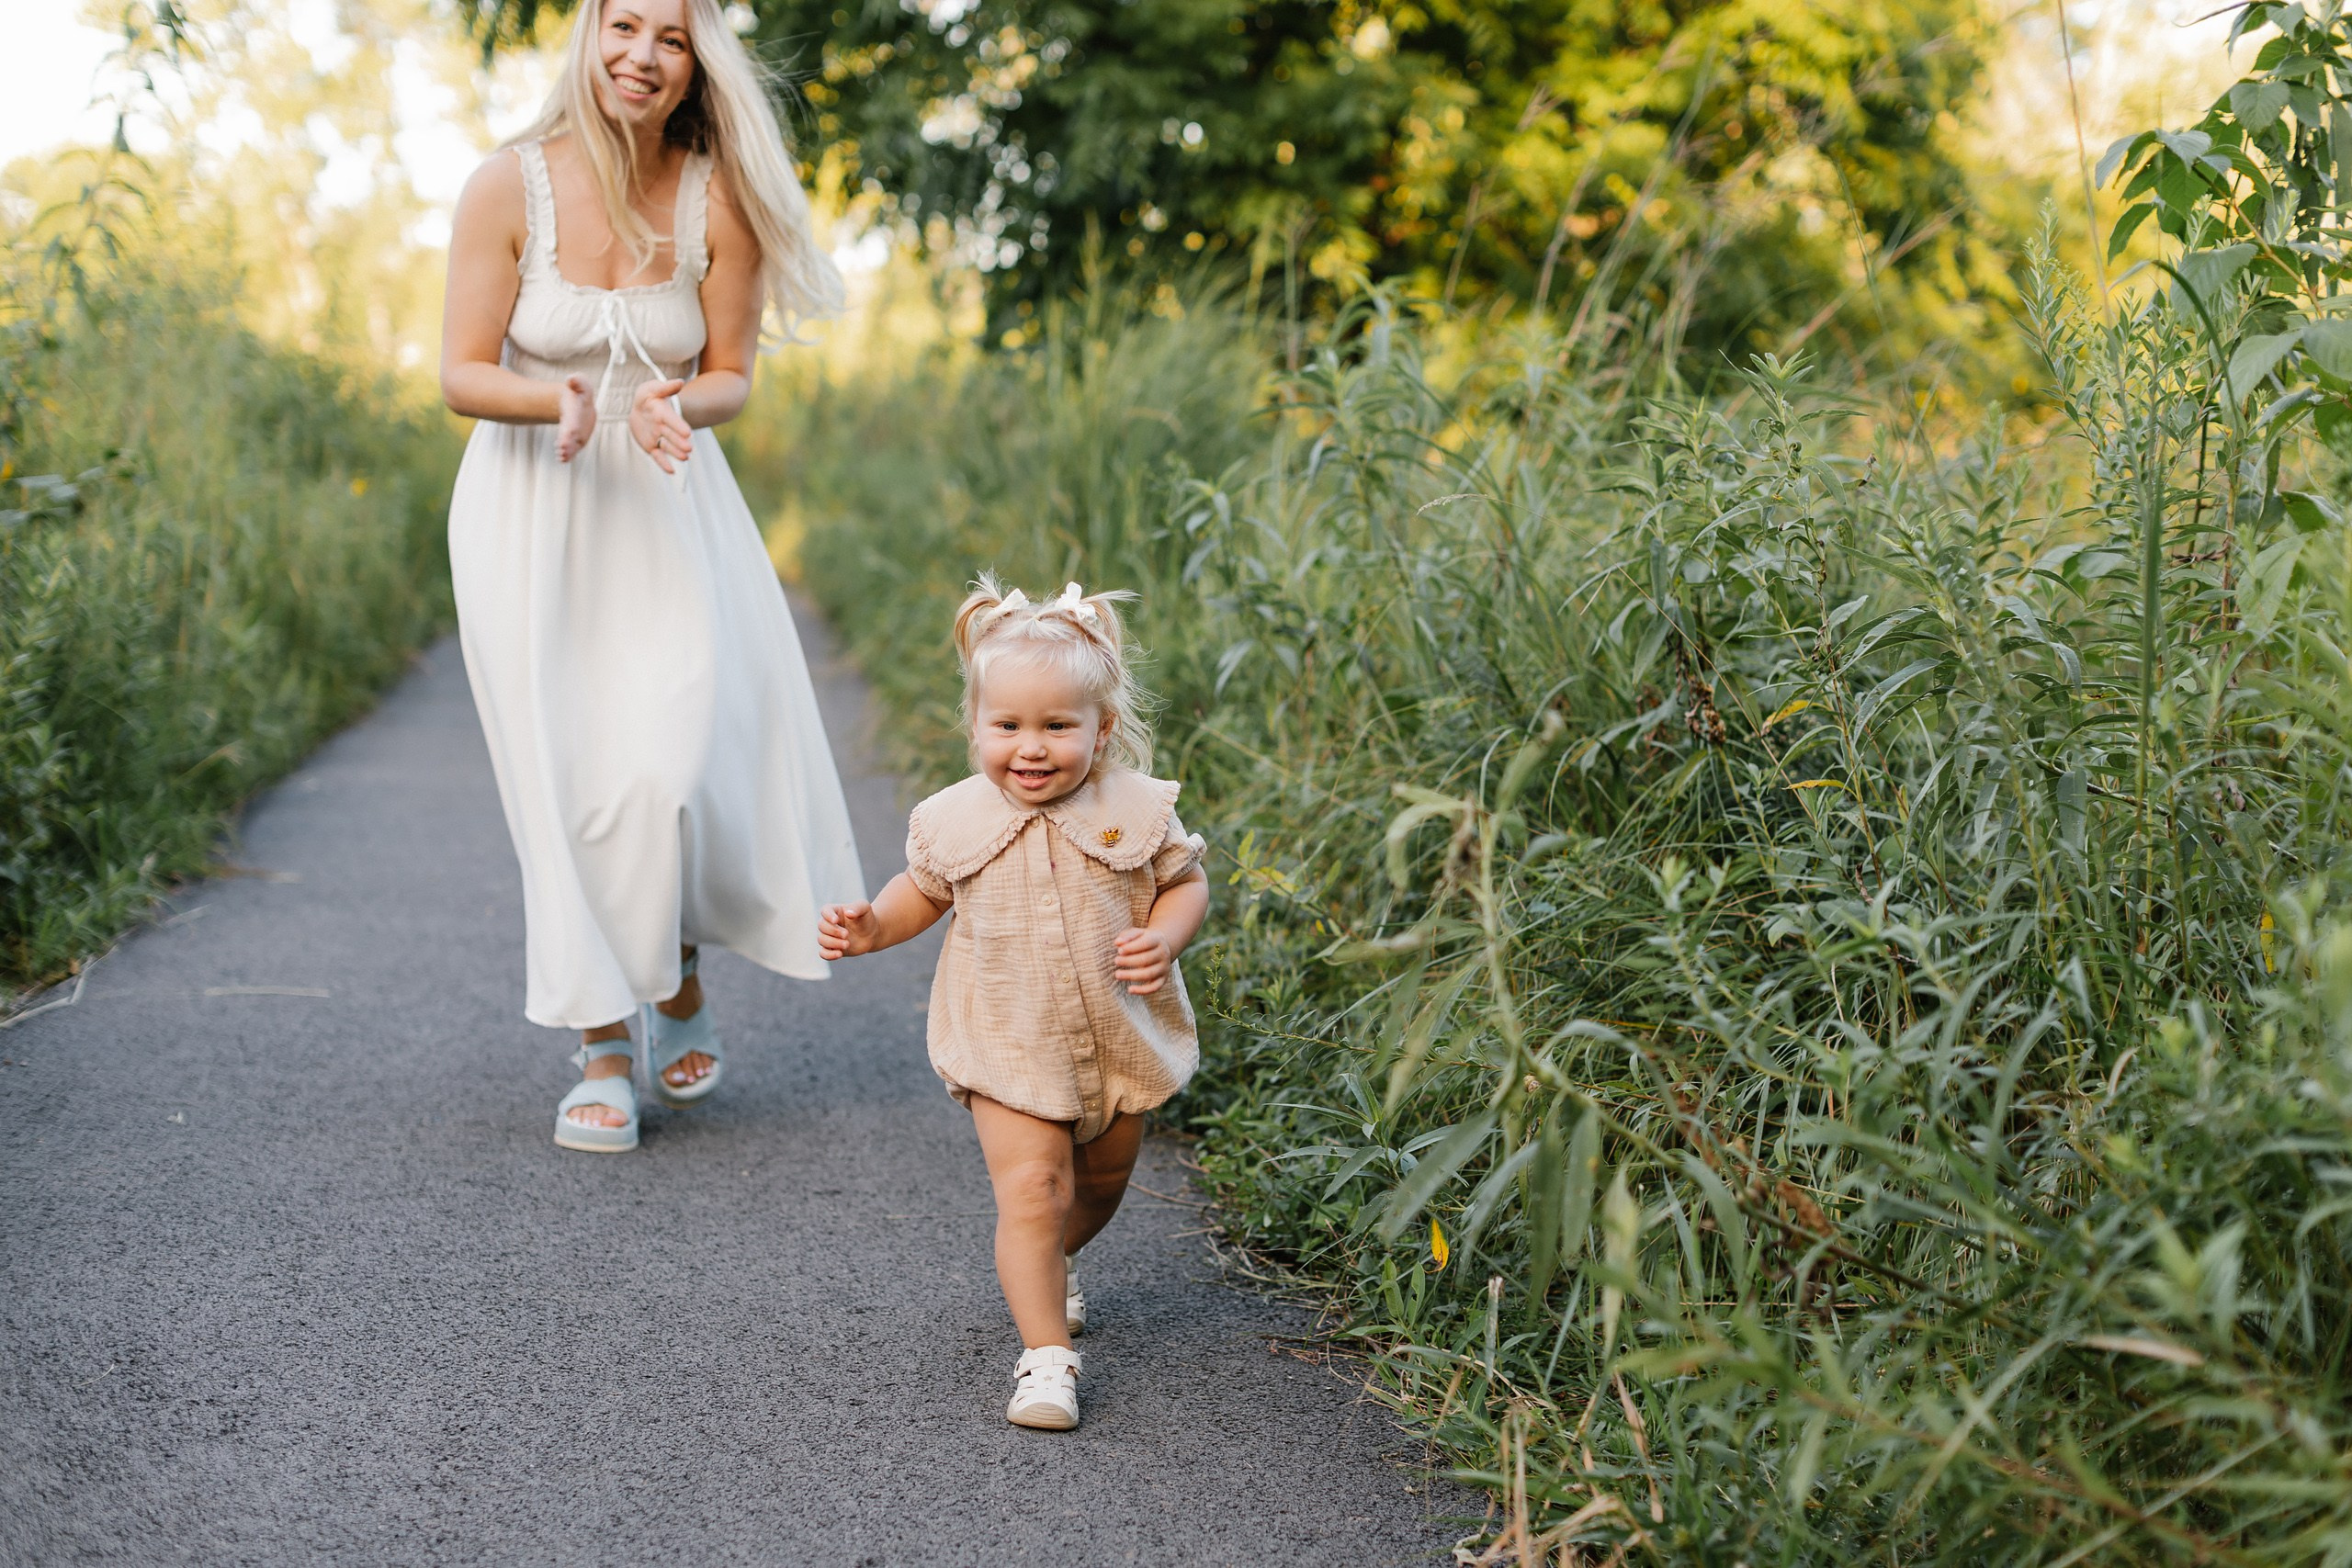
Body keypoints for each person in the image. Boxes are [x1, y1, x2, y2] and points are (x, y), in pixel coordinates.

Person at [438, 0, 863, 1153]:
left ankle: (673, 966)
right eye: (623, 25)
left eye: (670, 38)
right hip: (530, 500)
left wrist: (679, 404)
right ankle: (603, 1048)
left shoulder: (720, 196)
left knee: (666, 767)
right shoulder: (504, 187)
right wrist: (556, 399)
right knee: (568, 780)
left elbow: (729, 373)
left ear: (696, 63)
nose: (641, 55)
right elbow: (463, 373)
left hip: (669, 500)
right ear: (589, 35)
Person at [817, 580, 1210, 1430]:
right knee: (1034, 1189)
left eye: (1057, 726)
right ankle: (1046, 1358)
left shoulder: (1135, 809)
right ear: (976, 727)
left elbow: (1186, 883)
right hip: (1008, 1041)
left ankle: (1047, 1262)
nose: (1031, 748)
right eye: (1008, 726)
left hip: (1116, 1039)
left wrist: (1165, 936)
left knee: (1096, 1187)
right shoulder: (955, 820)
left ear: (1101, 729)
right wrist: (872, 926)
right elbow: (920, 893)